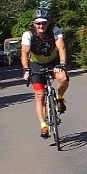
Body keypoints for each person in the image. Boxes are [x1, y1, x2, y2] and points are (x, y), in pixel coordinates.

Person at [21, 8, 70, 139]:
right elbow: (24, 53)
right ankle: (43, 125)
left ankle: (59, 98)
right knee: (39, 95)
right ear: (34, 23)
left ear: (48, 23)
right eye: (38, 23)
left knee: (63, 78)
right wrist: (26, 69)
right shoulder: (28, 35)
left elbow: (61, 47)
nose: (41, 26)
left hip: (53, 62)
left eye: (44, 23)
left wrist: (62, 64)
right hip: (36, 64)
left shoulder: (55, 30)